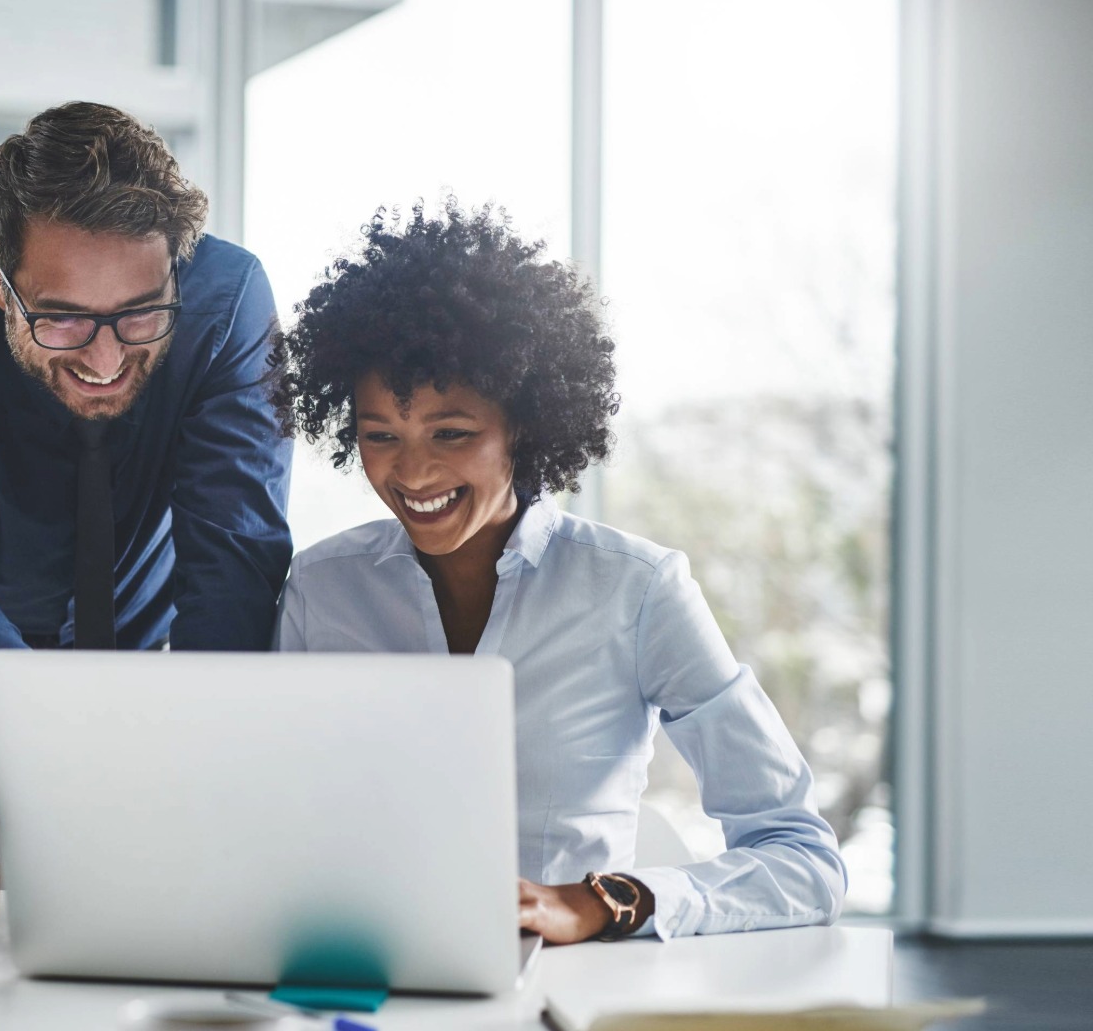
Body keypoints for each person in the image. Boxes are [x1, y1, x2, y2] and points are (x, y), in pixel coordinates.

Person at [272, 201, 845, 943]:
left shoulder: (636, 592)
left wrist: (598, 902)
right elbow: (274, 819)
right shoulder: (322, 591)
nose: (411, 471)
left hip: (565, 988)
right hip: (365, 973)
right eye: (381, 435)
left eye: (452, 433)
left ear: (525, 424)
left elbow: (803, 859)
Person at [0, 102, 291, 804]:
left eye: (139, 312)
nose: (105, 356)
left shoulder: (226, 303)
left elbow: (234, 550)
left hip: (159, 674)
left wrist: (207, 734)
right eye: (62, 317)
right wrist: (57, 727)